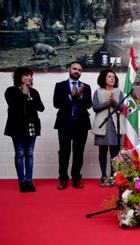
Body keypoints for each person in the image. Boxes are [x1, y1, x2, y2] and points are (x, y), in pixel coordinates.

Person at [4, 67, 45, 192]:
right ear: (19, 77)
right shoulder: (11, 91)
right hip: (17, 127)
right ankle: (22, 182)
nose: (29, 78)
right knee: (19, 154)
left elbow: (41, 108)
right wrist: (24, 95)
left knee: (29, 154)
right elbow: (14, 105)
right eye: (26, 75)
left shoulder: (34, 92)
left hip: (31, 127)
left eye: (30, 76)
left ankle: (29, 181)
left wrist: (30, 97)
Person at [53, 61, 93, 190]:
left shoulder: (86, 87)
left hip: (81, 124)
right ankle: (63, 179)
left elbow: (88, 105)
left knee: (78, 152)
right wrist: (71, 96)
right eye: (74, 69)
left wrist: (80, 96)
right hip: (65, 123)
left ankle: (76, 179)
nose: (77, 71)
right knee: (64, 152)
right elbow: (56, 103)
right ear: (69, 69)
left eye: (79, 70)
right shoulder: (60, 86)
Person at [92, 69, 125, 187]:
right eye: (109, 77)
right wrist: (108, 103)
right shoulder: (98, 92)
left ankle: (112, 175)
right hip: (102, 124)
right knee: (102, 151)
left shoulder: (119, 92)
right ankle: (103, 175)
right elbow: (95, 107)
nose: (112, 79)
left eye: (114, 77)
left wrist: (114, 102)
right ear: (103, 79)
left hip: (115, 125)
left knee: (114, 153)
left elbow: (121, 108)